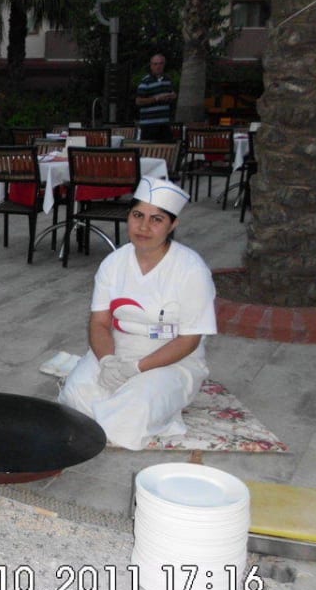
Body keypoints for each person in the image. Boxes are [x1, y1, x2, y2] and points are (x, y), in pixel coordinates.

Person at [58, 178, 217, 450]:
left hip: (173, 359)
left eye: (156, 219)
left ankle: (154, 407)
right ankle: (127, 406)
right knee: (74, 396)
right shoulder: (114, 263)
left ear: (172, 224)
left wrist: (136, 368)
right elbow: (99, 323)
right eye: (137, 215)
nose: (144, 227)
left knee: (133, 411)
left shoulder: (191, 270)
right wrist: (108, 361)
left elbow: (189, 340)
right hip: (119, 350)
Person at [136, 53, 176, 141]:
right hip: (149, 124)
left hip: (164, 124)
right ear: (151, 66)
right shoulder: (145, 81)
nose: (158, 66)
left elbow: (171, 97)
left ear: (164, 65)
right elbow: (138, 101)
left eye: (161, 63)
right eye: (155, 64)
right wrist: (156, 98)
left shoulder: (168, 80)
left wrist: (172, 97)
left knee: (166, 150)